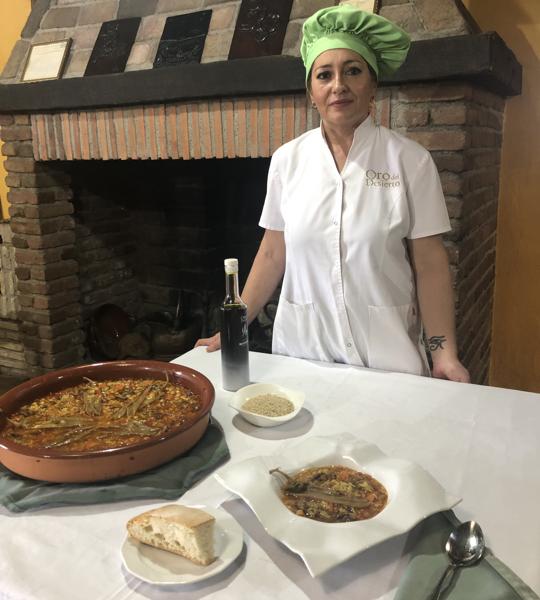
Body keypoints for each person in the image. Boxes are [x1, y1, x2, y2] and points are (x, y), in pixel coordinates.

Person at [196, 5, 470, 383]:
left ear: (372, 85)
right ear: (312, 92)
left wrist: (445, 355)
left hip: (388, 358)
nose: (338, 84)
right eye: (324, 75)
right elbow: (273, 251)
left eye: (353, 71)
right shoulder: (287, 160)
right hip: (303, 355)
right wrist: (232, 327)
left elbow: (430, 263)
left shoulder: (410, 160)